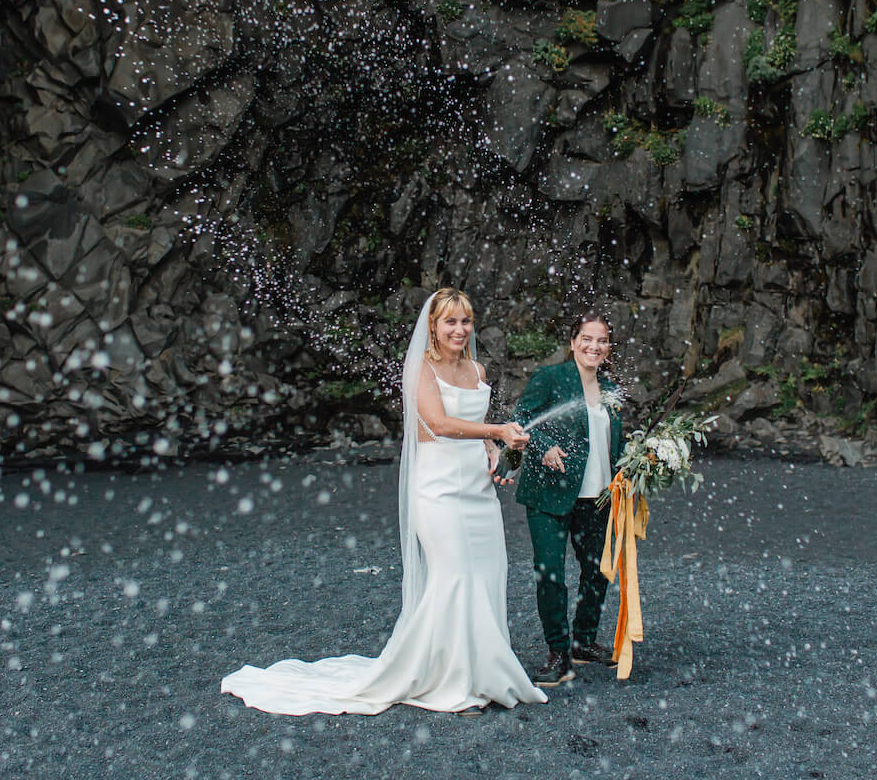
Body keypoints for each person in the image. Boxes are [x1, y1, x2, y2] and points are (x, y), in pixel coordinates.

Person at [221, 288, 547, 715]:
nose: (459, 329)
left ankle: (485, 672)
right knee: (454, 576)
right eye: (450, 321)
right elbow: (437, 423)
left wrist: (491, 447)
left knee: (487, 573)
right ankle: (449, 679)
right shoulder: (422, 370)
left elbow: (474, 423)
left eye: (465, 321)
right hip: (438, 489)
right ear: (433, 325)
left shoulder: (477, 367)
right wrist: (496, 432)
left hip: (477, 491)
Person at [512, 311, 624, 685]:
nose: (595, 346)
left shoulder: (610, 389)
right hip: (550, 492)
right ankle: (558, 652)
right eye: (587, 339)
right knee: (551, 574)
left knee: (597, 571)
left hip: (599, 496)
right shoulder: (550, 378)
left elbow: (614, 441)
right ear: (573, 341)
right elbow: (521, 418)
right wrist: (543, 445)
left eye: (602, 340)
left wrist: (639, 463)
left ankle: (584, 642)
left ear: (608, 347)